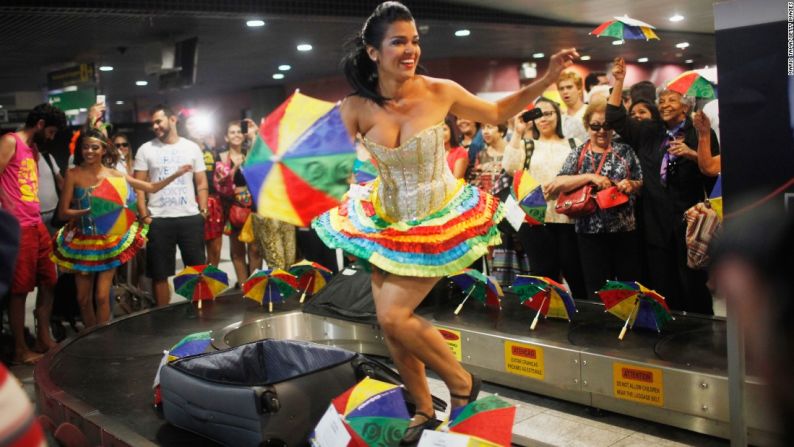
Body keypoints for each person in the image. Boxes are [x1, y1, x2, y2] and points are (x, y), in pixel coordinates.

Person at [311, 1, 578, 442]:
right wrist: (314, 175)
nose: (411, 49)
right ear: (373, 51)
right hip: (385, 218)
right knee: (391, 322)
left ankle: (461, 383)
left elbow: (495, 114)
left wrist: (546, 78)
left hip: (437, 216)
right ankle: (422, 406)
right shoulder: (355, 106)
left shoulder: (440, 90)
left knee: (395, 316)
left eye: (414, 40)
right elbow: (332, 166)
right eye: (399, 41)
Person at [607, 57, 720, 314]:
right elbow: (614, 117)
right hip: (655, 218)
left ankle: (700, 329)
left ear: (686, 105)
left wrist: (692, 153)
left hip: (689, 218)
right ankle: (668, 327)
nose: (665, 104)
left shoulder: (699, 131)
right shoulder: (649, 131)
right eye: (662, 99)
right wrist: (619, 80)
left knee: (692, 281)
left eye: (672, 99)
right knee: (662, 279)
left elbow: (712, 173)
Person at [52, 129, 191, 327]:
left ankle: (102, 340)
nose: (89, 151)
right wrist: (88, 211)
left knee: (101, 296)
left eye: (94, 147)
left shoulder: (114, 174)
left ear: (103, 150)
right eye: (85, 147)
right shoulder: (73, 174)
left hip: (109, 240)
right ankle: (89, 339)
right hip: (82, 242)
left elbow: (149, 187)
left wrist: (176, 174)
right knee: (83, 299)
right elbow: (63, 213)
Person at [545, 99, 643, 300]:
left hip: (624, 230)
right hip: (589, 231)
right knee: (596, 286)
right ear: (587, 126)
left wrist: (631, 185)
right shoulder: (579, 153)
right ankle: (600, 327)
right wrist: (590, 177)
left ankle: (629, 325)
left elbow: (640, 181)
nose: (601, 131)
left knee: (628, 285)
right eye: (595, 126)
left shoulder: (624, 151)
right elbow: (559, 182)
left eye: (606, 126)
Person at [0, 103, 66, 364]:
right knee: (20, 289)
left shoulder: (35, 149)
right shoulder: (10, 141)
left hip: (36, 222)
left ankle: (42, 336)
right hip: (18, 227)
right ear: (39, 125)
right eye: (50, 132)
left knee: (50, 279)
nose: (51, 137)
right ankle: (19, 348)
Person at [502, 98, 587, 300]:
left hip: (569, 218)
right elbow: (509, 166)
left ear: (558, 115)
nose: (544, 119)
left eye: (549, 113)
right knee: (543, 276)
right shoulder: (528, 145)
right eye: (538, 114)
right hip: (535, 219)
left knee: (576, 275)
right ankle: (545, 323)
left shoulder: (574, 144)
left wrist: (563, 183)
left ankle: (583, 319)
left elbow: (585, 174)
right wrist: (518, 130)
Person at [134, 105, 209, 307]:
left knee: (197, 269)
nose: (155, 126)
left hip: (189, 217)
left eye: (159, 121)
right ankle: (163, 315)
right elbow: (138, 186)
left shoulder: (191, 147)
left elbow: (201, 182)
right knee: (159, 274)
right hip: (159, 219)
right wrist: (144, 215)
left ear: (173, 120)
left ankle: (200, 311)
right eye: (153, 124)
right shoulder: (146, 149)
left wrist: (203, 211)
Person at [216, 121, 263, 283]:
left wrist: (254, 132)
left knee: (255, 249)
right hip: (232, 209)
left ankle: (256, 284)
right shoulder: (222, 158)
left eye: (238, 132)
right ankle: (243, 286)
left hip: (253, 207)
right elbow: (220, 185)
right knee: (237, 251)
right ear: (226, 137)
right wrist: (235, 168)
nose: (236, 135)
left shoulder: (251, 153)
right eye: (232, 132)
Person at [556, 71, 588, 142]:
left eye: (569, 87)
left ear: (579, 89)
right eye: (561, 89)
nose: (565, 92)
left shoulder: (589, 111)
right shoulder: (560, 118)